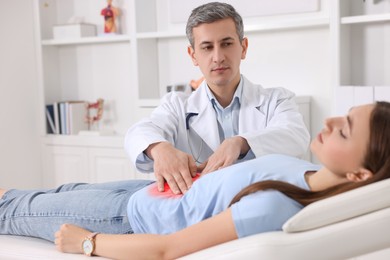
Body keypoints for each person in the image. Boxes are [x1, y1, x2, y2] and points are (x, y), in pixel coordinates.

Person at [1, 101, 390, 259]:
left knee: (13, 210)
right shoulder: (301, 171)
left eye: (344, 131)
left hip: (128, 220)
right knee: (54, 193)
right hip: (148, 191)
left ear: (359, 174)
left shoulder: (276, 206)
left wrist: (88, 242)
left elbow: (168, 249)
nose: (329, 121)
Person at [124, 2, 310, 195]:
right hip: (198, 206)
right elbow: (138, 132)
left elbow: (296, 136)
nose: (218, 57)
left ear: (243, 47)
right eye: (207, 47)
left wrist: (240, 143)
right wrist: (159, 148)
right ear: (193, 55)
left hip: (255, 202)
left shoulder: (276, 99)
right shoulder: (176, 105)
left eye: (226, 44)